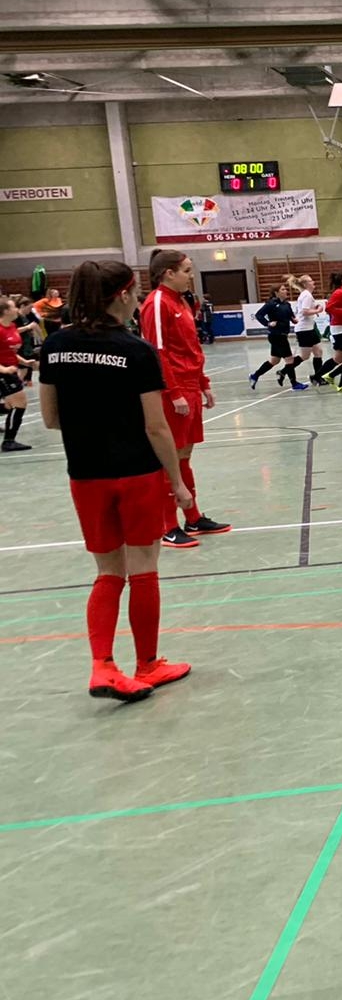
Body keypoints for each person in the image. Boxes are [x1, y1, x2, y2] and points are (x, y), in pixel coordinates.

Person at [39, 261, 196, 702]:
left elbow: (50, 418)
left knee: (108, 572)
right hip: (136, 473)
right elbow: (156, 427)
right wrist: (177, 482)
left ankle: (103, 667)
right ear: (123, 295)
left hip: (85, 474)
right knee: (144, 568)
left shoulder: (55, 344)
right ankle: (148, 664)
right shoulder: (136, 350)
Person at [140, 250, 231, 548]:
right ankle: (168, 525)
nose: (191, 276)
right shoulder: (157, 302)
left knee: (183, 456)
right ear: (169, 273)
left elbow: (191, 347)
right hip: (173, 391)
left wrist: (203, 384)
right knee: (169, 457)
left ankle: (192, 517)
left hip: (190, 386)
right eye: (187, 271)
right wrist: (174, 392)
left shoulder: (182, 301)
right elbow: (157, 352)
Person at [249, 282, 307, 391]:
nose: (286, 291)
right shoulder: (271, 304)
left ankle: (255, 376)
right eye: (283, 289)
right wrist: (268, 323)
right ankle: (294, 384)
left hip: (283, 335)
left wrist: (294, 320)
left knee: (274, 360)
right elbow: (259, 315)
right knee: (289, 359)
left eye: (285, 289)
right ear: (276, 293)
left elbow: (291, 316)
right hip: (276, 336)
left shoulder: (287, 304)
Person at [1, 296, 39, 452]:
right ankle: (8, 441)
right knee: (19, 403)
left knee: (11, 404)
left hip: (11, 369)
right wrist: (3, 369)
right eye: (13, 307)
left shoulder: (11, 327)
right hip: (4, 372)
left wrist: (25, 362)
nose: (16, 309)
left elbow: (10, 352)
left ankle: (9, 439)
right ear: (5, 311)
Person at [290, 274, 329, 387]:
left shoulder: (307, 295)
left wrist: (316, 307)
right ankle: (285, 370)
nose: (313, 282)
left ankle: (318, 377)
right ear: (305, 284)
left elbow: (308, 309)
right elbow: (305, 311)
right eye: (311, 281)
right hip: (304, 329)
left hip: (309, 328)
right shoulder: (306, 295)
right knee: (305, 355)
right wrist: (318, 310)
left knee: (318, 352)